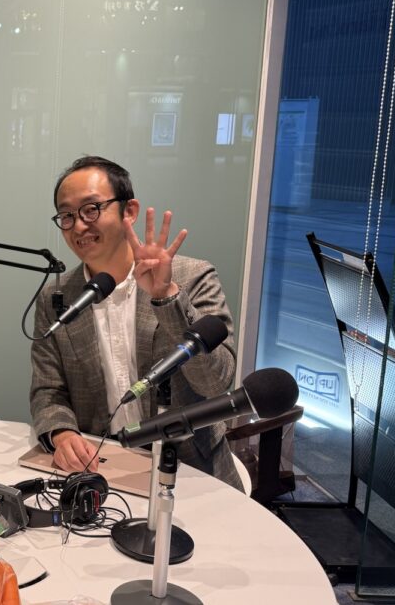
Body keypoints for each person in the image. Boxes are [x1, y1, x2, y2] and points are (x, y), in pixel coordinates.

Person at [29, 155, 243, 491]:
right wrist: (62, 432)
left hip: (190, 470)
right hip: (101, 468)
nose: (78, 226)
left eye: (91, 209)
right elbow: (48, 389)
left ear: (129, 211)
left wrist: (167, 297)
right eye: (67, 216)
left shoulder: (193, 276)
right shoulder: (56, 298)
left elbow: (216, 382)